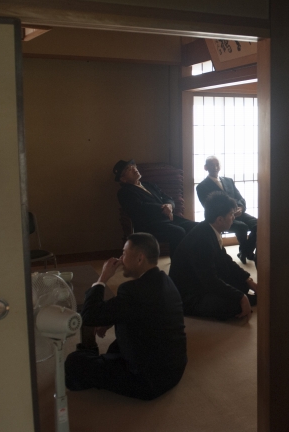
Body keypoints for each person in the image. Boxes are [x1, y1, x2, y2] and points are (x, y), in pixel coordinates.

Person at [65, 233, 187, 400]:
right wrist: (110, 319)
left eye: (124, 253)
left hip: (147, 380)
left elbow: (89, 316)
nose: (121, 259)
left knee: (73, 362)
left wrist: (103, 278)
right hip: (174, 369)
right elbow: (137, 310)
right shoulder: (166, 280)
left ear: (139, 258)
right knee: (115, 346)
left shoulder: (132, 291)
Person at [169, 192, 258, 320]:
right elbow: (210, 280)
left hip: (201, 281)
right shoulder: (201, 240)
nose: (233, 218)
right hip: (190, 294)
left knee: (242, 284)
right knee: (235, 305)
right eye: (231, 214)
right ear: (220, 219)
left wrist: (248, 280)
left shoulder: (210, 229)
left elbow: (226, 260)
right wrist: (241, 297)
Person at [114, 159, 196, 256]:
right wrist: (163, 208)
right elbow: (140, 208)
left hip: (168, 218)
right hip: (150, 225)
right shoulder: (124, 192)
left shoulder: (149, 185)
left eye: (133, 166)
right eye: (128, 169)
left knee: (195, 227)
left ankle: (194, 258)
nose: (134, 168)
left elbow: (168, 198)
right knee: (178, 232)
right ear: (123, 179)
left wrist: (169, 205)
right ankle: (177, 263)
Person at [196, 156, 257, 264]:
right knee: (242, 227)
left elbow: (240, 198)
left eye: (217, 164)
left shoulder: (228, 180)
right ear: (205, 167)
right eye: (212, 165)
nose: (215, 167)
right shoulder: (202, 187)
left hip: (238, 213)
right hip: (221, 218)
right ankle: (245, 252)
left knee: (258, 224)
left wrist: (241, 208)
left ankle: (245, 251)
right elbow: (209, 207)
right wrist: (229, 212)